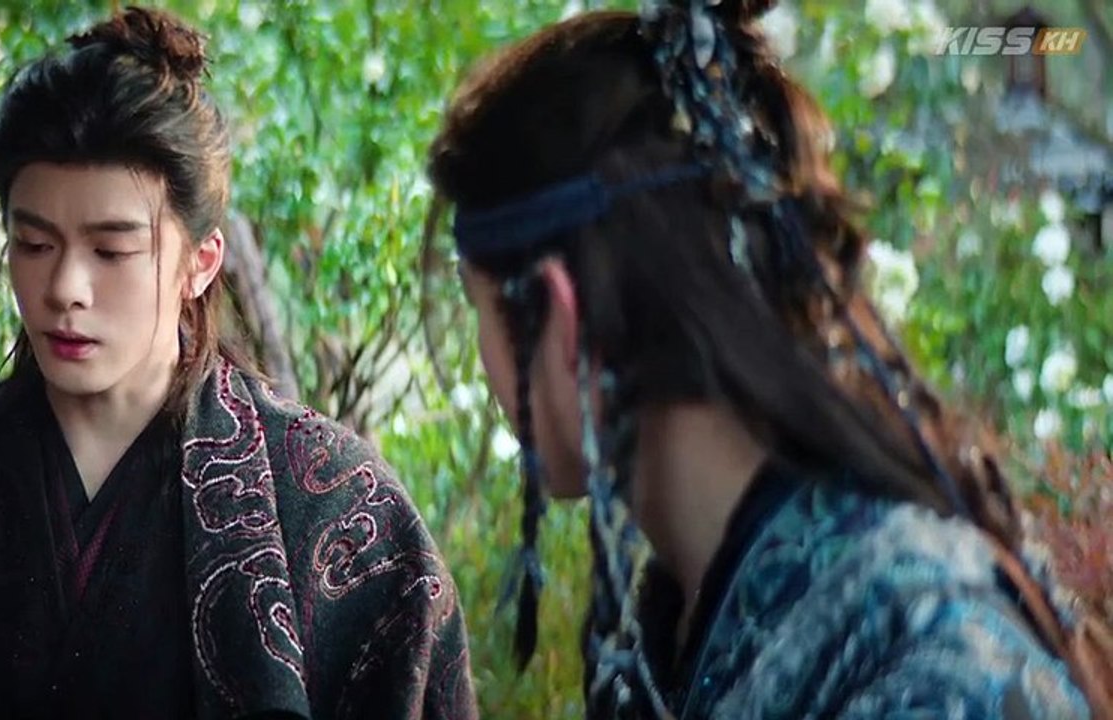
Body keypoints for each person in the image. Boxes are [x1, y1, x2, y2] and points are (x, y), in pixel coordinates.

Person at [0, 6, 476, 719]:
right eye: (34, 244)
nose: (65, 287)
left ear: (200, 262)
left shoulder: (339, 514)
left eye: (112, 250)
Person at [425, 0, 1112, 718]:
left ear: (563, 320)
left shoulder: (934, 672)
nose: (479, 361)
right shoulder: (695, 618)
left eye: (477, 307)